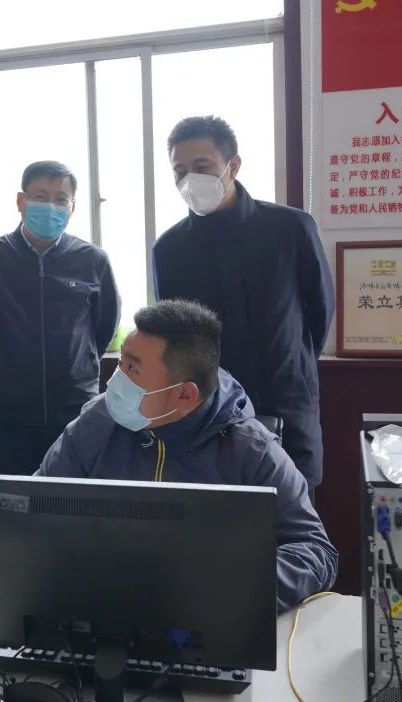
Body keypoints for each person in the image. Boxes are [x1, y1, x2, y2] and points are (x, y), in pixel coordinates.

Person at [0, 300, 338, 612]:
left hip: (204, 623)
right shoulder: (97, 423)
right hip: (101, 613)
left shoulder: (251, 450)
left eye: (132, 369)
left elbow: (315, 551)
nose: (115, 379)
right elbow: (36, 503)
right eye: (120, 361)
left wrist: (225, 587)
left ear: (184, 394)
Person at [152, 116, 334, 494]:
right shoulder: (169, 250)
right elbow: (173, 337)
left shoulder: (290, 229)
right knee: (219, 522)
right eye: (180, 171)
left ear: (233, 166)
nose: (190, 179)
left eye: (202, 167)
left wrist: (292, 363)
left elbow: (320, 311)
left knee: (295, 517)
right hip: (209, 417)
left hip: (288, 407)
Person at [0, 160, 120, 475]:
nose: (50, 207)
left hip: (74, 410)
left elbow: (103, 328)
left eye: (60, 199)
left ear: (73, 207)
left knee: (73, 498)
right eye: (40, 197)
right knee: (12, 497)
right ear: (21, 201)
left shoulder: (92, 260)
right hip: (5, 414)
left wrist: (75, 366)